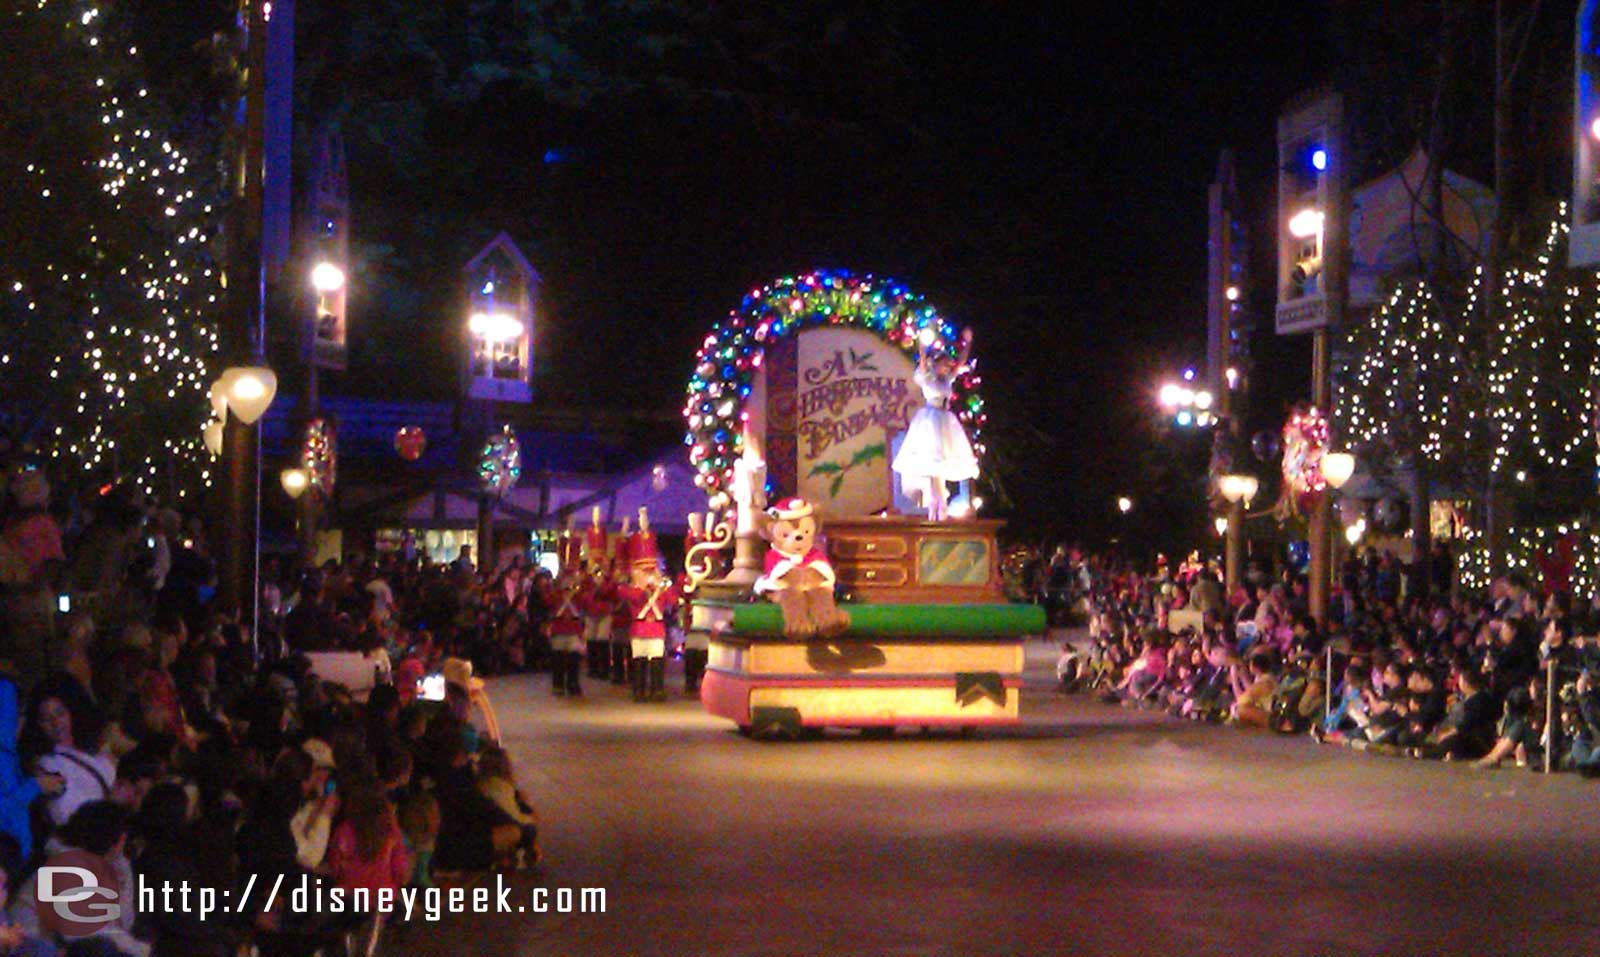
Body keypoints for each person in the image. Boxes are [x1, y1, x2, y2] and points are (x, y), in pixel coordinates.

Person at [891, 326, 979, 521]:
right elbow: (923, 361)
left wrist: (968, 343)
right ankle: (935, 510)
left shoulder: (947, 379)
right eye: (944, 364)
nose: (947, 367)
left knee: (940, 467)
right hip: (930, 420)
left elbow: (961, 363)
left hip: (944, 420)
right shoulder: (927, 378)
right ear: (936, 364)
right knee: (933, 466)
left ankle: (941, 509)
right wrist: (922, 346)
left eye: (948, 365)